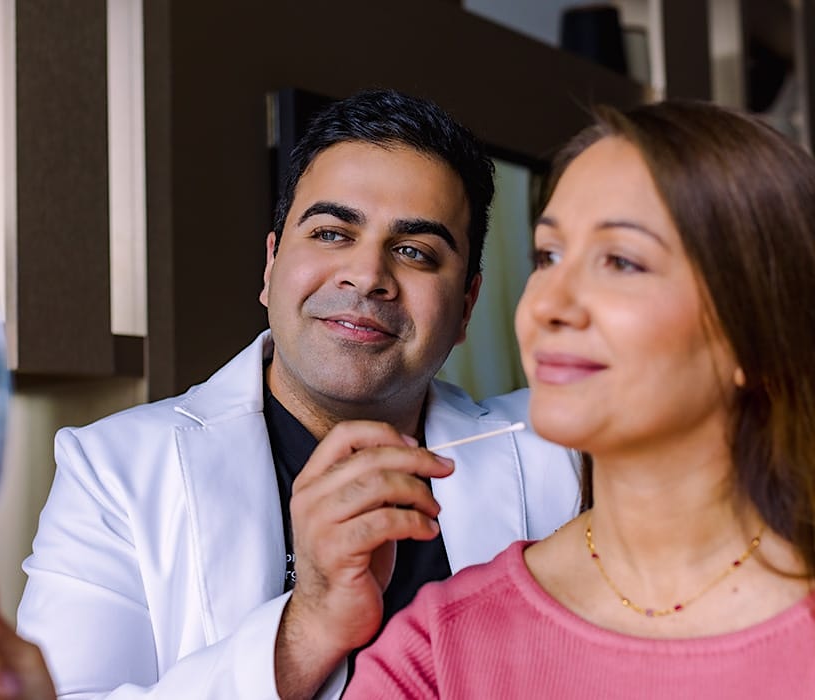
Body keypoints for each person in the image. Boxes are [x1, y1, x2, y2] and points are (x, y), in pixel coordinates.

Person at [0, 88, 580, 699]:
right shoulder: (113, 472)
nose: (367, 275)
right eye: (333, 233)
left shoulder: (560, 452)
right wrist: (306, 628)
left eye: (415, 251)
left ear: (466, 307)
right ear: (272, 266)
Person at [344, 98, 815, 698]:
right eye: (549, 256)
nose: (546, 305)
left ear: (759, 328)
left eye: (620, 261)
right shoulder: (437, 652)